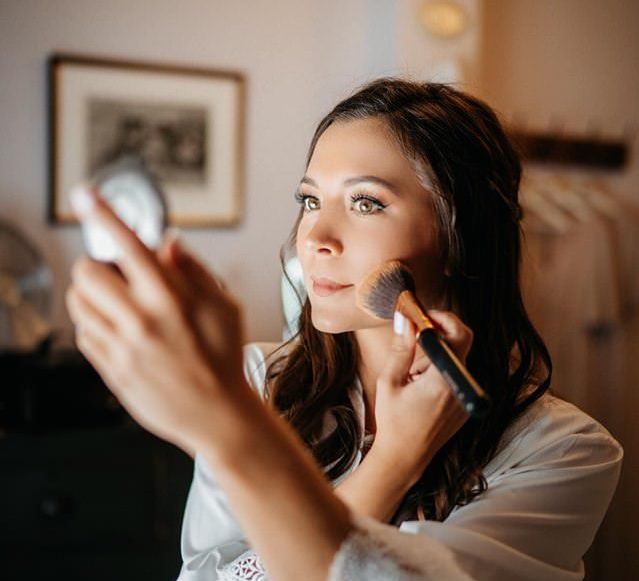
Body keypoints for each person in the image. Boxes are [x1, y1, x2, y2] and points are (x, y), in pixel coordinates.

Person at [66, 79, 622, 581]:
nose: (316, 237)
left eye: (365, 202)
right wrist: (383, 460)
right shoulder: (260, 380)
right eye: (310, 200)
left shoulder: (564, 453)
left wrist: (230, 426)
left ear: (461, 235)